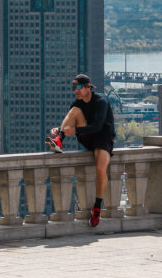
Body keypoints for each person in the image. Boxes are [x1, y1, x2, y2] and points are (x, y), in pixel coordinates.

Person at [46, 73, 115, 227]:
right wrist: (59, 130)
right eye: (74, 87)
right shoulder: (77, 104)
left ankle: (97, 207)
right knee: (75, 111)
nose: (76, 90)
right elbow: (71, 120)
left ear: (88, 87)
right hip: (88, 137)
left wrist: (75, 130)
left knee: (100, 169)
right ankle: (59, 140)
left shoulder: (101, 101)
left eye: (78, 87)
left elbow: (97, 126)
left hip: (103, 138)